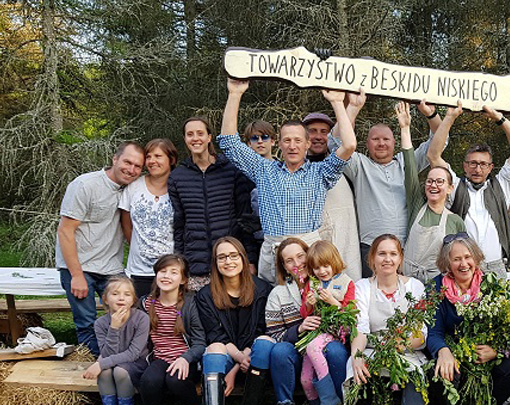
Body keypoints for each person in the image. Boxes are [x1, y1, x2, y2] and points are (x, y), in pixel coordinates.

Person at [218, 79, 356, 284]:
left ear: (307, 144)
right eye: (287, 140)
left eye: (298, 140)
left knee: (314, 309)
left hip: (310, 255)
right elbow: (229, 142)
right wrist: (235, 94)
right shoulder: (263, 170)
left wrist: (337, 102)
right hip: (274, 256)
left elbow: (349, 145)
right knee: (276, 309)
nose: (292, 146)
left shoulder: (320, 172)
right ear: (278, 143)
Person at [330, 90, 444, 276]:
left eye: (386, 139)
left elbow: (441, 139)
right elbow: (334, 144)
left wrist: (431, 114)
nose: (381, 143)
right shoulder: (359, 166)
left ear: (394, 142)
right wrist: (353, 107)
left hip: (408, 247)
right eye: (375, 139)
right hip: (371, 249)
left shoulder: (408, 162)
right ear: (366, 144)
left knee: (410, 300)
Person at [426, 234, 510, 405]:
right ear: (447, 262)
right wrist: (443, 350)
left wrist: (496, 350)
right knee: (441, 367)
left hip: (484, 357)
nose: (463, 264)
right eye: (456, 259)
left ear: (476, 258)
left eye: (468, 257)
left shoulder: (491, 286)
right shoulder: (436, 287)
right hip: (455, 352)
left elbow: (506, 331)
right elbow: (434, 330)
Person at [254, 237, 354, 405]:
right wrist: (298, 328)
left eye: (301, 256)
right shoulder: (278, 294)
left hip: (328, 346)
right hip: (298, 352)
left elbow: (349, 314)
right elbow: (274, 335)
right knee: (280, 351)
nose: (297, 264)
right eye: (289, 260)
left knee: (335, 350)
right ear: (283, 266)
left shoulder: (330, 283)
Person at [348, 234, 432, 405]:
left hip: (405, 348)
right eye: (381, 254)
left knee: (413, 373)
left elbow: (420, 332)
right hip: (372, 346)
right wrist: (357, 356)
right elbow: (361, 328)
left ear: (400, 258)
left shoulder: (415, 287)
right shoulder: (363, 287)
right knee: (368, 366)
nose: (387, 259)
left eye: (393, 254)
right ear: (372, 259)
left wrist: (400, 344)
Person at [56, 141, 144, 355]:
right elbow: (65, 231)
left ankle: (121, 364)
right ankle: (97, 368)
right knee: (86, 323)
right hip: (81, 266)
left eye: (137, 166)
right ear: (115, 159)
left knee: (130, 316)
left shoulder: (131, 189)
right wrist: (77, 275)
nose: (131, 170)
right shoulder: (86, 185)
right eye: (127, 162)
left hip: (111, 267)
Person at [428, 102, 510, 278]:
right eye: (473, 163)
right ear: (465, 166)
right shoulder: (454, 186)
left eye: (483, 164)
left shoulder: (502, 185)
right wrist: (450, 117)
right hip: (463, 269)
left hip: (497, 267)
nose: (477, 169)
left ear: (491, 167)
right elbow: (433, 155)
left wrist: (500, 118)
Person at [195, 237, 271, 405]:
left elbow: (261, 329)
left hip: (253, 356)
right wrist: (236, 360)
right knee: (213, 348)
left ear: (242, 258)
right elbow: (215, 335)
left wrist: (237, 367)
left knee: (266, 342)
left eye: (233, 255)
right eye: (222, 257)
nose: (228, 261)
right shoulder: (206, 295)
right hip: (227, 354)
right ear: (215, 263)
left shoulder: (261, 289)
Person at [168, 116, 259, 292]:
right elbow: (179, 224)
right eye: (190, 134)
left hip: (230, 261)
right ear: (185, 139)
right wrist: (180, 262)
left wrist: (250, 259)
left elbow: (244, 218)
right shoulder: (178, 176)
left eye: (200, 133)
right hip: (196, 263)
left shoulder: (231, 170)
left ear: (209, 137)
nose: (195, 138)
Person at [132, 254, 205, 405]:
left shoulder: (189, 304)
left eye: (174, 272)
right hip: (160, 357)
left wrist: (186, 358)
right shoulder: (146, 303)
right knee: (149, 379)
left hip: (186, 359)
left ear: (183, 279)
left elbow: (200, 343)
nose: (167, 276)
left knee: (175, 380)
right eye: (162, 271)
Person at [394, 101, 466, 282]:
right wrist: (405, 128)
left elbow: (462, 258)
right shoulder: (417, 205)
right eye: (430, 181)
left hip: (439, 286)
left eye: (440, 181)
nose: (433, 185)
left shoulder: (455, 222)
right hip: (408, 281)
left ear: (450, 188)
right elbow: (410, 166)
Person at [81, 276, 149, 405]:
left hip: (137, 363)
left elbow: (133, 353)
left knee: (118, 371)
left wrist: (101, 363)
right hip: (114, 360)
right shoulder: (101, 323)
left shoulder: (141, 318)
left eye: (127, 294)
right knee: (104, 373)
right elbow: (108, 351)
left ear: (133, 300)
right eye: (115, 294)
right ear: (105, 298)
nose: (121, 298)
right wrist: (114, 328)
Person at [299, 240, 355, 405]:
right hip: (316, 332)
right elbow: (305, 313)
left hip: (335, 330)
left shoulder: (346, 283)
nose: (322, 271)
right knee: (306, 379)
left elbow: (350, 314)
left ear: (334, 262)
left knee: (313, 348)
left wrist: (333, 302)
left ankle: (330, 397)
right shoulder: (312, 284)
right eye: (316, 268)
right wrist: (309, 303)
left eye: (325, 266)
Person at [303, 111, 361, 280]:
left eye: (324, 132)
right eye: (313, 131)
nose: (319, 136)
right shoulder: (295, 170)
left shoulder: (345, 166)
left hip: (346, 249)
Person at [120, 139, 179, 298]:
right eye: (149, 157)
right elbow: (126, 224)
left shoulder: (179, 188)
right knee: (140, 318)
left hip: (169, 271)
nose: (152, 161)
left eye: (158, 156)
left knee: (168, 318)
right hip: (138, 271)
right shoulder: (134, 187)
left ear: (171, 160)